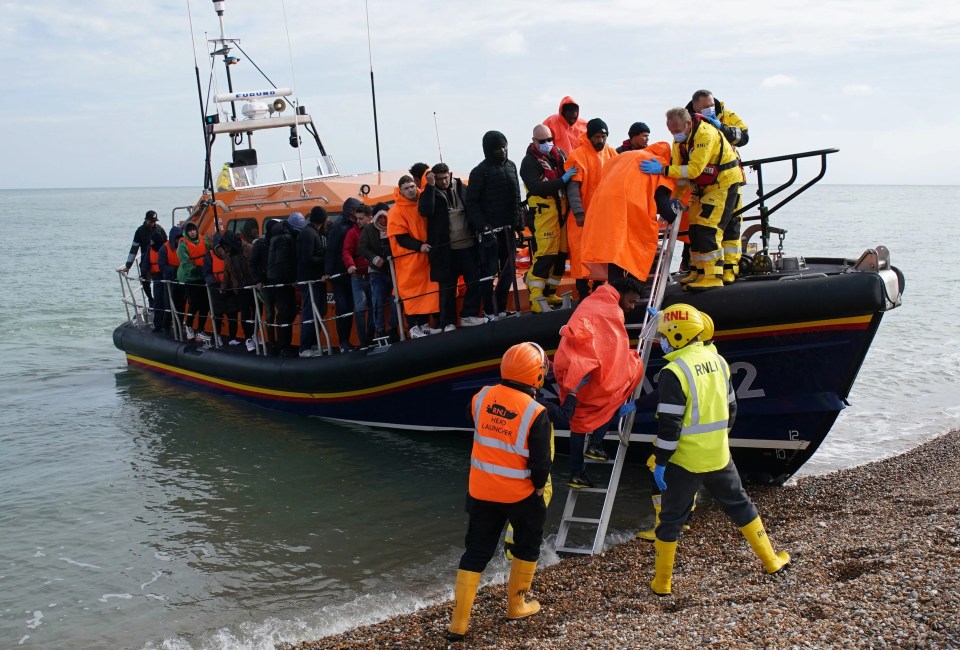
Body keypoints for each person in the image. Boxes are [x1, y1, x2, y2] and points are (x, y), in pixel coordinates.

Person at [645, 303, 789, 596]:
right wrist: (716, 440)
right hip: (719, 455)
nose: (661, 341)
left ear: (677, 336)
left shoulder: (675, 371)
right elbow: (732, 409)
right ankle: (771, 560)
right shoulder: (719, 362)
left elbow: (670, 425)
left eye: (664, 335)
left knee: (671, 518)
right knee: (741, 505)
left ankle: (662, 583)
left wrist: (661, 461)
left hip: (685, 460)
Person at [447, 342, 553, 641]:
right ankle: (517, 605)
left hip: (481, 492)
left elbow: (476, 422)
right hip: (521, 495)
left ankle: (459, 623)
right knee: (527, 546)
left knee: (476, 552)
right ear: (537, 376)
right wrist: (538, 487)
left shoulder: (481, 397)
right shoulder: (536, 411)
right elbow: (541, 462)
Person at [553, 276, 645, 488]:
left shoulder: (589, 301)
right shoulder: (612, 311)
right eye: (631, 301)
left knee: (577, 420)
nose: (632, 307)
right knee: (621, 384)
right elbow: (612, 352)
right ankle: (595, 443)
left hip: (570, 370)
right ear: (621, 293)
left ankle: (576, 474)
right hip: (587, 370)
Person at [640, 108, 742, 290]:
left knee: (707, 227)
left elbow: (694, 170)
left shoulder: (705, 134)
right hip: (701, 187)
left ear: (688, 124)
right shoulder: (679, 142)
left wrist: (663, 170)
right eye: (671, 131)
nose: (675, 135)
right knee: (693, 227)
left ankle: (713, 275)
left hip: (722, 183)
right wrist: (674, 200)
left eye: (677, 130)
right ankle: (699, 271)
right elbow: (681, 175)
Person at [579, 141, 678, 282]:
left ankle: (614, 291)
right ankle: (632, 291)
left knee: (614, 250)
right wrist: (675, 218)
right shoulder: (661, 165)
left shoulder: (625, 156)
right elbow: (662, 203)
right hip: (631, 207)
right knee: (636, 249)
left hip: (602, 206)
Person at [687, 90, 750, 284]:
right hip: (703, 183)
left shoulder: (727, 115)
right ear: (695, 106)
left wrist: (721, 127)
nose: (710, 109)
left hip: (729, 177)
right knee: (701, 226)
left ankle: (730, 269)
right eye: (705, 106)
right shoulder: (688, 121)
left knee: (731, 223)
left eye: (711, 104)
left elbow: (744, 138)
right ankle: (701, 270)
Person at [519, 124, 578, 312]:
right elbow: (536, 187)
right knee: (546, 254)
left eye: (549, 140)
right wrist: (563, 180)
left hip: (561, 210)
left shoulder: (558, 154)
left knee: (561, 254)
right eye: (542, 141)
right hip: (543, 212)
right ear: (534, 141)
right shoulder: (529, 162)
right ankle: (536, 297)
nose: (547, 144)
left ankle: (550, 291)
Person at [465, 131, 523, 320]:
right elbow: (471, 203)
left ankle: (502, 308)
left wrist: (520, 226)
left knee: (508, 271)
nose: (503, 150)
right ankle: (489, 310)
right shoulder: (479, 171)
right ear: (489, 150)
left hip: (509, 230)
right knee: (488, 273)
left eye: (505, 146)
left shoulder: (512, 167)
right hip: (490, 232)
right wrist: (484, 227)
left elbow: (517, 199)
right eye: (498, 148)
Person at [420, 163, 484, 329]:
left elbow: (475, 207)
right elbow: (425, 211)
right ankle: (447, 322)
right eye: (439, 179)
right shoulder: (430, 192)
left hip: (469, 246)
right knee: (447, 289)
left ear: (450, 174)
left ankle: (469, 315)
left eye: (445, 177)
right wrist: (430, 186)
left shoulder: (463, 188)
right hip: (445, 251)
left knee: (474, 282)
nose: (443, 181)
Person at [565, 118, 618, 301]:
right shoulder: (577, 156)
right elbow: (573, 188)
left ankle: (598, 291)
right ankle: (582, 294)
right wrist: (579, 212)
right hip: (583, 217)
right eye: (597, 136)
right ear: (589, 136)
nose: (601, 140)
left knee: (602, 255)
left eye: (603, 136)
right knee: (581, 256)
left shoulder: (611, 153)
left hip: (604, 217)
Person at [387, 175, 441, 338]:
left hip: (426, 258)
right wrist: (419, 246)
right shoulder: (396, 211)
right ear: (400, 190)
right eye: (406, 188)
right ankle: (412, 327)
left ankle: (424, 325)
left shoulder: (422, 201)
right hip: (408, 260)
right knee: (410, 294)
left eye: (412, 186)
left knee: (428, 292)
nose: (410, 190)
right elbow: (400, 238)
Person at [327, 199, 366, 352]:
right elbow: (330, 250)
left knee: (354, 306)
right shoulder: (338, 227)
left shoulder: (354, 225)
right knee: (343, 308)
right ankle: (343, 342)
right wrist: (329, 272)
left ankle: (355, 340)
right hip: (340, 274)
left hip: (352, 272)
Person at [267, 212, 304, 356]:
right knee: (284, 313)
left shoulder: (280, 235)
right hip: (281, 281)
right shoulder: (285, 238)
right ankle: (283, 346)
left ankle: (284, 344)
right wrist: (293, 279)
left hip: (280, 280)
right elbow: (283, 262)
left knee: (288, 312)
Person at [358, 202, 396, 340]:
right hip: (377, 272)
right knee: (377, 302)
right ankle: (380, 330)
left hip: (394, 270)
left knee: (395, 301)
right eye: (380, 217)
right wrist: (374, 259)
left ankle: (394, 329)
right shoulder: (368, 230)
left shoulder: (394, 226)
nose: (383, 220)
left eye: (385, 217)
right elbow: (362, 248)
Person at [343, 205, 376, 347]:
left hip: (374, 275)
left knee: (375, 307)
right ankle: (363, 341)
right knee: (360, 308)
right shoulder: (352, 233)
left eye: (361, 218)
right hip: (358, 276)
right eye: (357, 218)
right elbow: (346, 251)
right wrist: (350, 265)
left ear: (369, 218)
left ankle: (371, 338)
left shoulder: (375, 231)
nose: (358, 221)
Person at [298, 206, 328, 357]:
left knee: (319, 311)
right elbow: (307, 258)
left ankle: (313, 343)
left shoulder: (312, 232)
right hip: (309, 280)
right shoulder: (309, 234)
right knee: (310, 312)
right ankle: (304, 347)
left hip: (316, 279)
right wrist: (325, 258)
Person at [219, 230, 255, 347]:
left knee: (256, 313)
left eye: (226, 247)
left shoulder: (249, 248)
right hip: (240, 288)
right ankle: (248, 338)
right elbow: (227, 272)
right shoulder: (227, 255)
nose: (225, 249)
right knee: (245, 315)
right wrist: (223, 287)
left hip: (253, 287)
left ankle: (255, 334)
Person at [124, 210, 167, 308]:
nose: (152, 223)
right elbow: (134, 249)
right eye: (151, 221)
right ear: (146, 220)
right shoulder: (140, 231)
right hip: (145, 261)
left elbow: (166, 243)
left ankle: (161, 301)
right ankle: (151, 300)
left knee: (160, 282)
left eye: (154, 221)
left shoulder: (159, 229)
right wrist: (128, 266)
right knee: (145, 281)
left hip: (158, 260)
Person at [249, 220, 279, 351]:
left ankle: (281, 341)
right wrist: (257, 280)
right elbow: (252, 263)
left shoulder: (277, 241)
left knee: (282, 311)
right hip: (265, 284)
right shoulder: (260, 244)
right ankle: (272, 341)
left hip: (277, 282)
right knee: (269, 313)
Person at [176, 222, 209, 341]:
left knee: (205, 304)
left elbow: (209, 250)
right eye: (189, 230)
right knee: (194, 303)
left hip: (202, 276)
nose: (192, 232)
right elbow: (184, 262)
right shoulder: (183, 245)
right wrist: (194, 270)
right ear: (186, 232)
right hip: (190, 277)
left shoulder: (203, 239)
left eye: (194, 229)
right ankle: (189, 325)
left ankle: (201, 330)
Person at [202, 234, 229, 346]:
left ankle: (232, 337)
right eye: (218, 248)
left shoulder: (228, 255)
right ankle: (217, 335)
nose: (220, 250)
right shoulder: (209, 257)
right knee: (217, 314)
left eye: (222, 248)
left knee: (232, 313)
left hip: (229, 287)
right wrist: (214, 283)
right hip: (216, 289)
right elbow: (206, 273)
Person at [158, 226, 183, 335]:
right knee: (168, 306)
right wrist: (175, 270)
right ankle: (166, 327)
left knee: (180, 305)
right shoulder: (164, 249)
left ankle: (179, 326)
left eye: (180, 238)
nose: (179, 240)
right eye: (177, 238)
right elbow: (162, 266)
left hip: (181, 280)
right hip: (170, 281)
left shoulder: (183, 247)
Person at [147, 230, 169, 333]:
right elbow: (146, 262)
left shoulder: (164, 249)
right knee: (158, 301)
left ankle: (166, 323)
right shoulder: (151, 249)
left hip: (164, 276)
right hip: (156, 276)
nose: (151, 242)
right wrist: (144, 274)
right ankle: (158, 324)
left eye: (152, 241)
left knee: (165, 300)